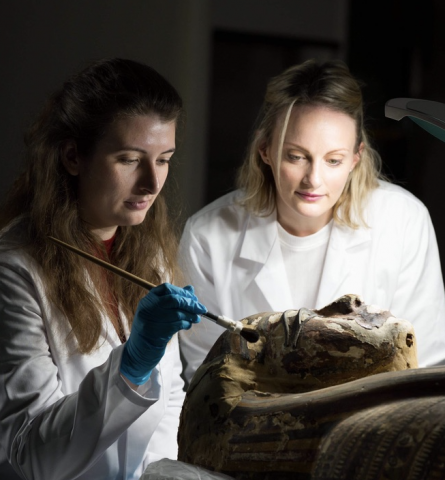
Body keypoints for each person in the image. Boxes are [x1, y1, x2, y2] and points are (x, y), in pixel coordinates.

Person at [0, 58, 208, 480]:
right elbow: (29, 454)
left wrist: (163, 472)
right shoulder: (15, 271)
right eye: (130, 159)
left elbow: (168, 399)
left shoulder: (148, 255)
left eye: (164, 159)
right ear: (74, 156)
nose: (152, 182)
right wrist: (131, 365)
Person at [179, 59, 445, 384]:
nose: (313, 180)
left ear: (355, 158)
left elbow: (423, 364)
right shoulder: (207, 236)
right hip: (251, 430)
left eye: (333, 160)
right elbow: (207, 380)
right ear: (265, 149)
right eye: (296, 156)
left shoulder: (403, 221)